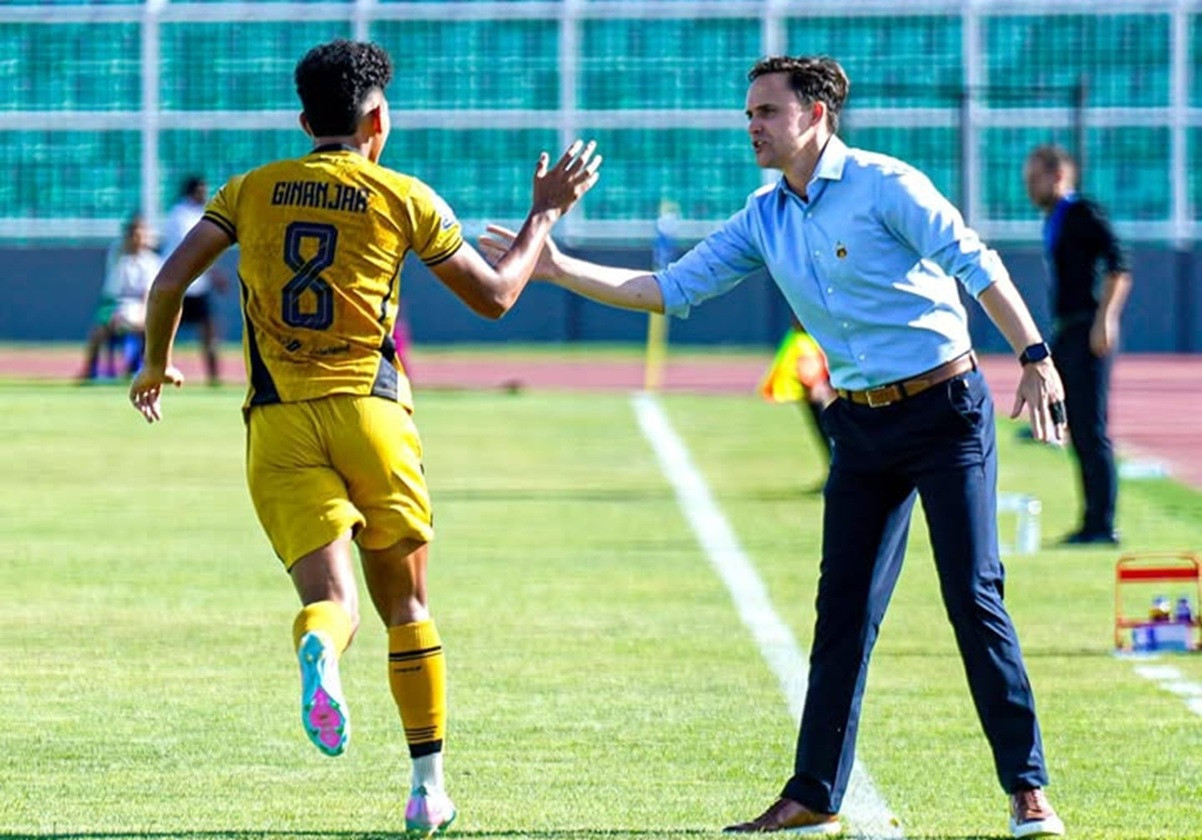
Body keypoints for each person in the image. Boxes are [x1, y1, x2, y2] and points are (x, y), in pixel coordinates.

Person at [481, 55, 1067, 839]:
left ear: (815, 115)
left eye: (766, 112)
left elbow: (977, 263)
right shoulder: (763, 215)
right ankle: (815, 793)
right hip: (860, 426)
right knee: (842, 611)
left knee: (972, 596)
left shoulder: (887, 184)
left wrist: (1033, 356)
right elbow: (669, 289)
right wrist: (553, 268)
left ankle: (1028, 792)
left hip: (946, 410)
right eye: (748, 113)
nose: (750, 125)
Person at [128, 39, 600, 835]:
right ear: (377, 118)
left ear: (304, 118)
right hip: (372, 414)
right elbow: (495, 297)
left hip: (278, 420)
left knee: (331, 599)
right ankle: (427, 790)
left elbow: (170, 280)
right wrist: (544, 215)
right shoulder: (402, 195)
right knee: (408, 604)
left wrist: (153, 365)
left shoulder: (249, 189)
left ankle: (321, 647)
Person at [1025, 144, 1131, 546]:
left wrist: (1106, 318)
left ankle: (1101, 525)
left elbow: (1119, 263)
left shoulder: (1081, 212)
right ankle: (1091, 521)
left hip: (1088, 328)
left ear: (1057, 175)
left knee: (1092, 428)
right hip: (1067, 330)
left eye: (1034, 178)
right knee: (1077, 430)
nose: (1029, 188)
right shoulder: (1056, 218)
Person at [160, 175, 228, 385]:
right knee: (162, 332)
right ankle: (147, 368)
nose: (205, 194)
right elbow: (192, 251)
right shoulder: (179, 215)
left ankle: (214, 377)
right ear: (191, 191)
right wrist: (214, 274)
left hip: (198, 285)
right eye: (201, 190)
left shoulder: (200, 214)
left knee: (209, 330)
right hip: (180, 285)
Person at [79, 214, 161, 381]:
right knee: (98, 331)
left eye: (141, 234)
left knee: (150, 329)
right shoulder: (118, 254)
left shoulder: (151, 262)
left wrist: (142, 316)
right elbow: (113, 291)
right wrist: (115, 314)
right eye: (133, 234)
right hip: (114, 305)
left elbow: (148, 294)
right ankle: (91, 371)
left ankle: (140, 368)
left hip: (139, 306)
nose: (136, 238)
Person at [759, 316, 834, 489]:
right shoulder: (802, 340)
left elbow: (814, 372)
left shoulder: (811, 341)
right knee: (823, 433)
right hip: (814, 396)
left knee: (830, 433)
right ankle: (831, 473)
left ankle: (835, 474)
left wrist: (819, 385)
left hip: (820, 396)